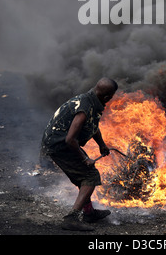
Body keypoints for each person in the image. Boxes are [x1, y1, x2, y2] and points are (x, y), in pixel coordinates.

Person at [41, 77, 118, 231]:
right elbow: (70, 139)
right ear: (107, 97)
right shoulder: (84, 107)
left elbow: (92, 125)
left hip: (62, 142)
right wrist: (84, 158)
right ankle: (72, 218)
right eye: (111, 97)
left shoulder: (91, 100)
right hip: (59, 145)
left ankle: (89, 213)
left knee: (85, 176)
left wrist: (101, 145)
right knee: (90, 176)